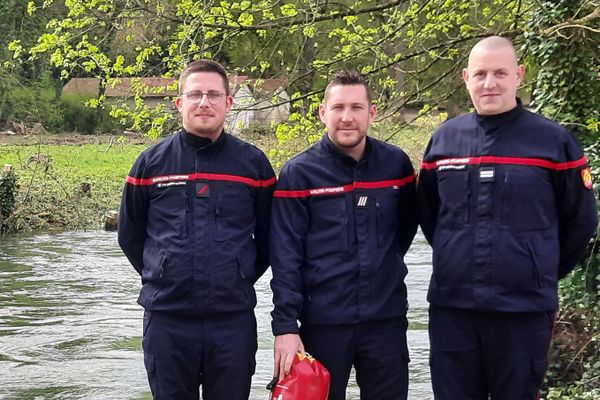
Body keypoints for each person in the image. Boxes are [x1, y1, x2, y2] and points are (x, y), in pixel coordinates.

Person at [417, 36, 598, 400]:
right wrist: (457, 255)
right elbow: (430, 215)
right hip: (453, 309)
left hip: (523, 311)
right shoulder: (444, 140)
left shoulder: (553, 142)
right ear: (466, 77)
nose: (490, 83)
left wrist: (537, 266)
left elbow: (580, 221)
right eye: (480, 74)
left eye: (500, 73)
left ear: (519, 75)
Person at [118, 59, 276, 400]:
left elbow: (269, 237)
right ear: (180, 103)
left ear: (229, 103)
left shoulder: (254, 165)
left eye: (214, 95)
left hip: (232, 321)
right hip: (167, 320)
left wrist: (240, 272)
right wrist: (162, 271)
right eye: (195, 94)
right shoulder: (150, 163)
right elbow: (130, 235)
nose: (204, 102)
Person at [269, 70, 418, 400]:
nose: (347, 118)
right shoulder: (299, 173)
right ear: (323, 112)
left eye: (356, 107)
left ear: (372, 112)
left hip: (386, 321)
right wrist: (285, 327)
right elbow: (285, 257)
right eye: (338, 108)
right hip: (322, 324)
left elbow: (403, 233)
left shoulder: (396, 166)